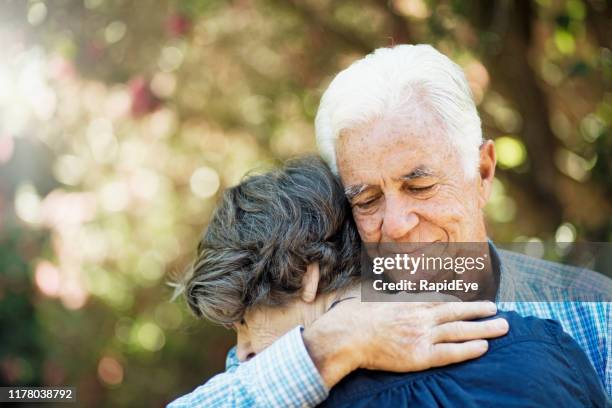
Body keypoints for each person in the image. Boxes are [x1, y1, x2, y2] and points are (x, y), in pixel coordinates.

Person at [168, 44, 612, 407]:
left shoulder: (594, 313)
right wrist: (333, 345)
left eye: (419, 187)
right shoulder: (302, 340)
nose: (396, 225)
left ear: (482, 172)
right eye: (367, 199)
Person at [169, 157, 608, 407]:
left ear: (307, 277)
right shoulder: (547, 344)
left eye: (243, 323)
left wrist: (327, 348)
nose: (241, 354)